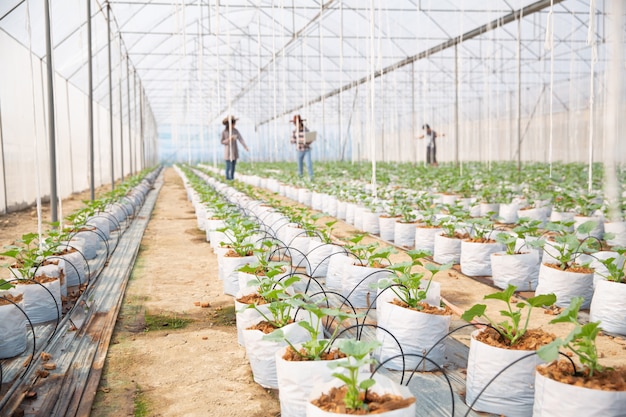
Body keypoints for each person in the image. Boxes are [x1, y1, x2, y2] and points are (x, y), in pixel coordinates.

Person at [221, 115, 248, 180]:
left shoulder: (235, 131)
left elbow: (240, 139)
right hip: (228, 151)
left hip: (234, 151)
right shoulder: (224, 132)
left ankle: (232, 178)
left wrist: (245, 146)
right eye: (233, 123)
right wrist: (229, 139)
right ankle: (227, 178)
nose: (234, 125)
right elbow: (222, 141)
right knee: (228, 166)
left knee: (233, 166)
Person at [290, 114, 313, 180]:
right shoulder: (295, 131)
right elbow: (292, 140)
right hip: (299, 150)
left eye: (297, 123)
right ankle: (300, 179)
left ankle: (311, 178)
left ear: (300, 122)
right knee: (300, 166)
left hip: (306, 149)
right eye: (295, 123)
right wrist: (298, 140)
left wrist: (307, 141)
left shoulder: (306, 130)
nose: (296, 124)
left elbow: (310, 140)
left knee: (308, 164)